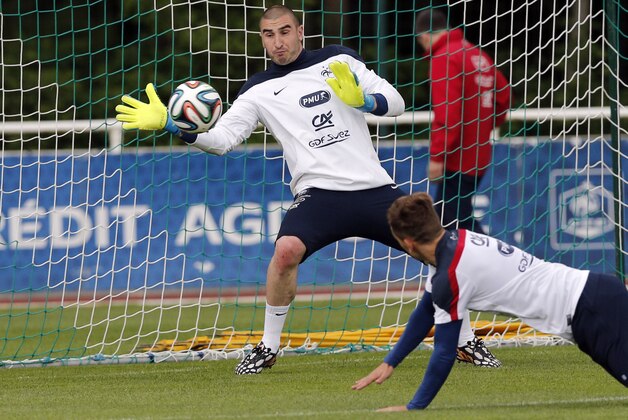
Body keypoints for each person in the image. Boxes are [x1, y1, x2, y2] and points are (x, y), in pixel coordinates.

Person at [115, 5, 500, 375]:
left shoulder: (339, 60)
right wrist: (172, 124)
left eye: (284, 31)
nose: (278, 41)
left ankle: (464, 339)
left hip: (374, 187)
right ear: (262, 40)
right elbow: (222, 140)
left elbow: (397, 103)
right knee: (285, 252)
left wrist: (365, 101)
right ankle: (267, 346)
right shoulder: (257, 91)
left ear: (300, 32)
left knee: (439, 251)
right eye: (269, 35)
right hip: (319, 195)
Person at [352, 191, 628, 411]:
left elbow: (445, 351)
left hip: (590, 311)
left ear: (408, 243)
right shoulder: (452, 241)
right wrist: (391, 362)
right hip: (594, 294)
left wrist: (414, 407)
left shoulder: (451, 273)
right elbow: (426, 311)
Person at [416, 9, 511, 234]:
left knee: (453, 224)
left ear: (425, 36)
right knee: (455, 219)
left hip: (457, 156)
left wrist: (438, 155)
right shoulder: (477, 54)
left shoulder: (444, 58)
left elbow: (448, 114)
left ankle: (496, 265)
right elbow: (504, 95)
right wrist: (488, 125)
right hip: (479, 153)